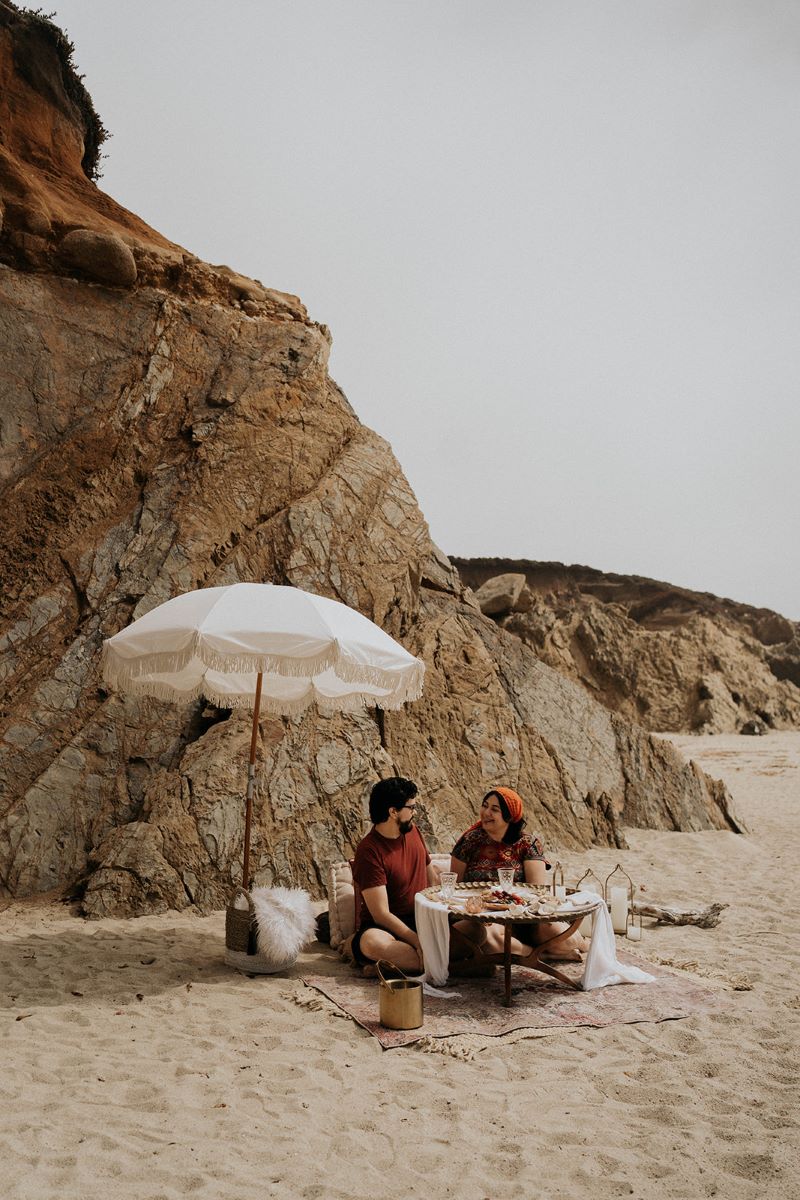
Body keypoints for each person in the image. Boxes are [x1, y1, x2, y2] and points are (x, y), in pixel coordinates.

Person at [450, 786, 588, 961]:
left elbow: (537, 891)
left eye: (494, 809)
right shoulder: (469, 841)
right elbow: (455, 886)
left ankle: (579, 944)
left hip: (522, 916)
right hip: (486, 917)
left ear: (510, 816)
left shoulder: (527, 843)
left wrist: (513, 906)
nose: (486, 813)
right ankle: (540, 956)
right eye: (485, 806)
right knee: (492, 943)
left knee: (562, 937)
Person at [350, 776, 440, 975]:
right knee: (373, 943)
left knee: (472, 933)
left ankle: (392, 968)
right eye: (411, 808)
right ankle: (450, 965)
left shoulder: (413, 831)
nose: (415, 812)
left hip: (421, 920)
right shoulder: (369, 850)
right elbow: (381, 914)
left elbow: (432, 878)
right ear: (393, 812)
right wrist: (418, 941)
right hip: (385, 929)